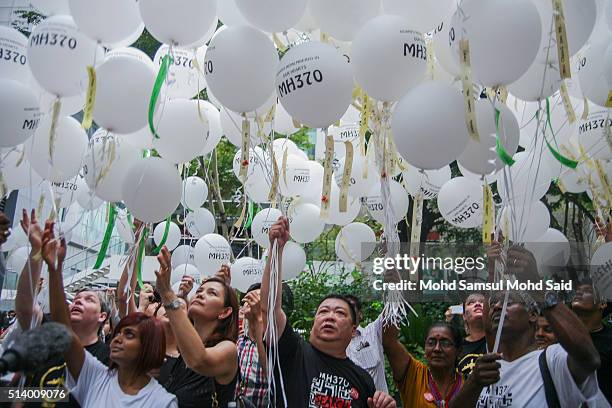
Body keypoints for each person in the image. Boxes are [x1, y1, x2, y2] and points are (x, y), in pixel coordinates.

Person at [261, 217, 396, 408]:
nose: (330, 316)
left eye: (340, 313)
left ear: (353, 330)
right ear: (313, 324)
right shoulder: (293, 353)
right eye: (323, 311)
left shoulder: (363, 380)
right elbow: (269, 307)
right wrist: (276, 250)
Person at [41, 219, 177, 408]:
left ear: (149, 346)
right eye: (118, 332)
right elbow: (63, 328)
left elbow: (123, 295)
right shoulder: (97, 376)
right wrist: (54, 268)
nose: (117, 339)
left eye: (129, 334)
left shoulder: (163, 402)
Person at [450, 246, 602, 408]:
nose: (497, 307)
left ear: (532, 315)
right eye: (494, 303)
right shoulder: (487, 368)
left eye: (509, 302)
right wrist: (473, 383)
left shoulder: (552, 360)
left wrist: (535, 283)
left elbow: (589, 357)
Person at [11, 210, 110, 408]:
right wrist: (36, 251)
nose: (78, 302)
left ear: (102, 316)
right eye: (77, 298)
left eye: (89, 299)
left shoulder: (107, 358)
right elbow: (24, 304)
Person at [155, 247, 239, 407]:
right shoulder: (182, 354)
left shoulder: (228, 350)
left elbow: (199, 359)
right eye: (199, 290)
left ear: (225, 312)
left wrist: (167, 293)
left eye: (211, 293)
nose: (200, 294)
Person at [383, 320, 464, 407]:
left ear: (458, 351)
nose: (437, 349)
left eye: (445, 343)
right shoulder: (413, 375)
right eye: (431, 343)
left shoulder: (467, 384)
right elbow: (388, 340)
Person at [571, 279, 612, 402]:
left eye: (587, 291)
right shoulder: (563, 336)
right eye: (577, 291)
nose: (578, 293)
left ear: (602, 303)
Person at [345, 295, 389, 393]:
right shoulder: (334, 345)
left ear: (360, 314)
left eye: (350, 306)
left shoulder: (373, 332)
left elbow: (393, 309)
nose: (346, 310)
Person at [235, 283, 268, 407]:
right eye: (249, 298)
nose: (252, 301)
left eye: (258, 297)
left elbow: (271, 374)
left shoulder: (273, 347)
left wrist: (259, 316)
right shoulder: (236, 341)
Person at [457, 293, 487, 377]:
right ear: (464, 316)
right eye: (471, 303)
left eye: (482, 302)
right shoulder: (457, 347)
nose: (477, 304)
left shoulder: (501, 341)